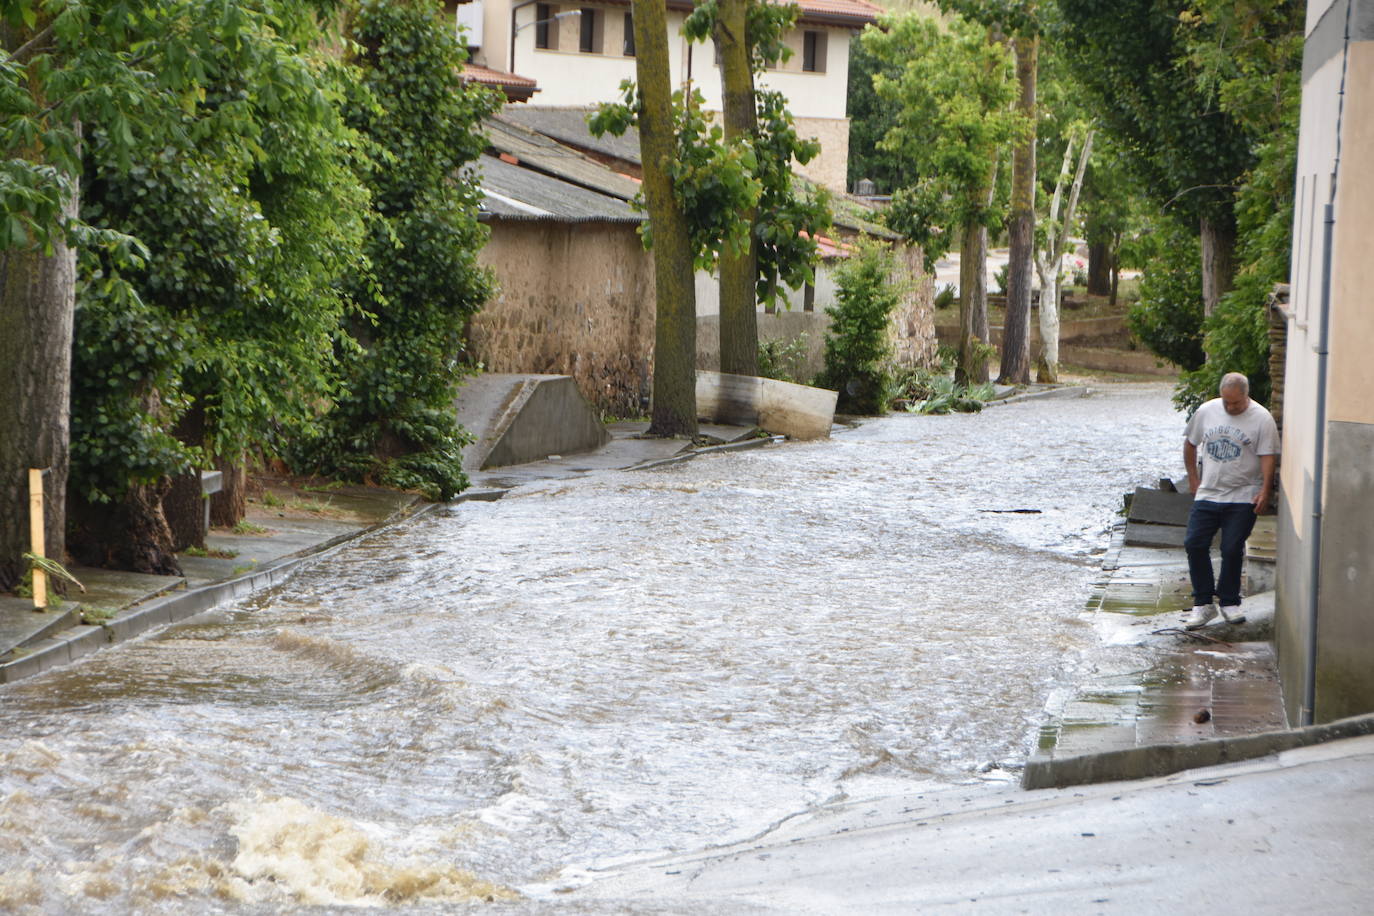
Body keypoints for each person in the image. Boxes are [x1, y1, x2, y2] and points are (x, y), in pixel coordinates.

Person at [1181, 372, 1279, 629]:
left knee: (1232, 548)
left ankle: (1229, 601)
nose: (1231, 407)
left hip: (1244, 494)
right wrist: (1193, 478)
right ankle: (1203, 604)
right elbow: (1190, 444)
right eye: (1226, 402)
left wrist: (1265, 490)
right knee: (1194, 543)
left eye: (1236, 403)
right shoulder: (1206, 411)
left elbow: (1268, 455)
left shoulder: (1262, 418)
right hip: (1209, 492)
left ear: (1246, 395)